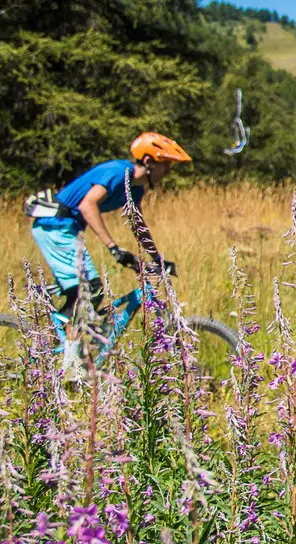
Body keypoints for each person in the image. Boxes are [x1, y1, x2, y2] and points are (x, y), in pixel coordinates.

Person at [25, 132, 191, 381]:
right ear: (148, 161)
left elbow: (138, 224)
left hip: (66, 229)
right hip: (55, 226)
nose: (168, 171)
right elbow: (87, 205)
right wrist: (113, 248)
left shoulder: (135, 189)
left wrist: (157, 259)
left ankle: (66, 341)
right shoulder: (118, 172)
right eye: (165, 164)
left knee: (85, 296)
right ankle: (71, 367)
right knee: (90, 290)